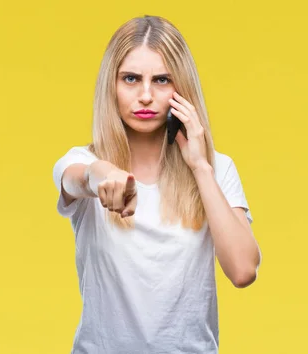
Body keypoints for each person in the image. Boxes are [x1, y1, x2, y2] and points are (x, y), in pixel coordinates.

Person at [52, 15, 262, 354]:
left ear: (182, 90)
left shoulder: (216, 169)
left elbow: (243, 270)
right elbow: (77, 178)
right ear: (112, 86)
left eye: (162, 80)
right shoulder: (83, 161)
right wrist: (103, 175)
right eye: (131, 79)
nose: (146, 95)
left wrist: (199, 167)